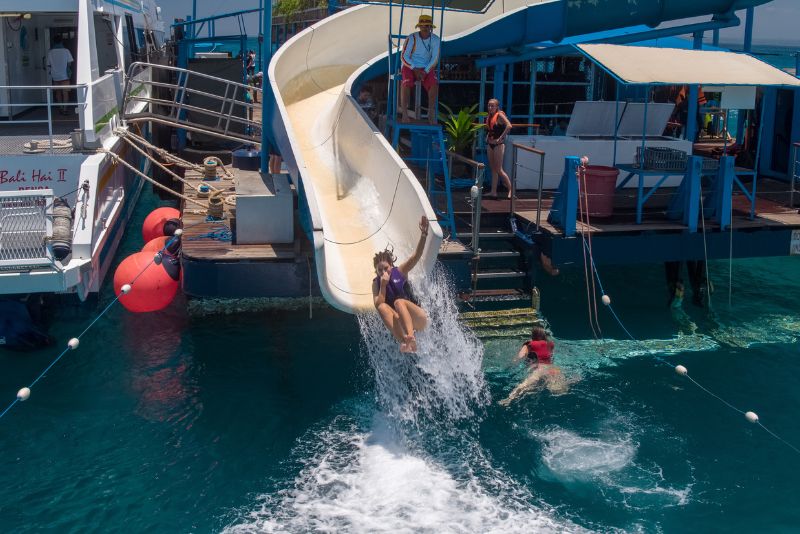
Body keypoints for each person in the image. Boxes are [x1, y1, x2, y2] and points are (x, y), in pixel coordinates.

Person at [372, 216, 430, 353]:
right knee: (382, 306)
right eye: (379, 270)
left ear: (391, 265)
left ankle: (411, 337)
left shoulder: (401, 271)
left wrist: (424, 234)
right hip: (400, 321)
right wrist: (383, 286)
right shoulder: (376, 283)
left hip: (418, 318)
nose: (383, 272)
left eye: (385, 268)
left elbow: (416, 256)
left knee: (399, 302)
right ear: (375, 270)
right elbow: (378, 304)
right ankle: (405, 342)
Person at [499, 326, 568, 405]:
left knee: (523, 386)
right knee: (559, 390)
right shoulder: (550, 344)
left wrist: (510, 364)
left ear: (533, 335)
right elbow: (551, 357)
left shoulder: (529, 344)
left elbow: (520, 357)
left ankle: (508, 400)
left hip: (539, 369)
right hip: (552, 369)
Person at [399, 14, 440, 124]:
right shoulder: (411, 38)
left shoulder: (435, 39)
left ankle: (431, 112)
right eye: (422, 25)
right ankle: (405, 114)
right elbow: (403, 56)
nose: (425, 27)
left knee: (434, 84)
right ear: (419, 27)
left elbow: (435, 58)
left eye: (427, 25)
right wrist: (415, 69)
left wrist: (425, 71)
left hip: (426, 67)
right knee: (406, 83)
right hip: (410, 65)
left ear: (430, 27)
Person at [485, 98, 513, 199]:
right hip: (490, 144)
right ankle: (493, 192)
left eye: (492, 106)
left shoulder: (500, 115)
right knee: (493, 169)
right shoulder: (489, 116)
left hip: (499, 145)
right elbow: (491, 129)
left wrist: (501, 138)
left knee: (499, 169)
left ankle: (511, 189)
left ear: (497, 107)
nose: (490, 107)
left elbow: (509, 126)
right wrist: (487, 136)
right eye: (489, 105)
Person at [47, 35, 74, 115]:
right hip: (65, 75)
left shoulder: (50, 52)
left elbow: (48, 64)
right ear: (61, 41)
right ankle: (65, 109)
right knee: (65, 93)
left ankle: (60, 107)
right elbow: (69, 63)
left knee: (57, 92)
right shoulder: (66, 51)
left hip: (55, 76)